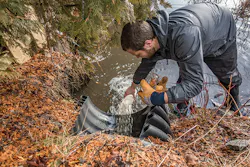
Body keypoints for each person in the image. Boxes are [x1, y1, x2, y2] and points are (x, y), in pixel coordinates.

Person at [121, 2, 249, 116]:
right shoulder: (154, 34)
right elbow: (147, 62)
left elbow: (195, 84)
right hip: (198, 29)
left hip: (220, 28)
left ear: (148, 43)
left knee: (227, 75)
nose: (138, 57)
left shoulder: (184, 37)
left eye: (137, 54)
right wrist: (133, 87)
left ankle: (234, 108)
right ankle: (182, 109)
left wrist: (157, 98)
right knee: (185, 73)